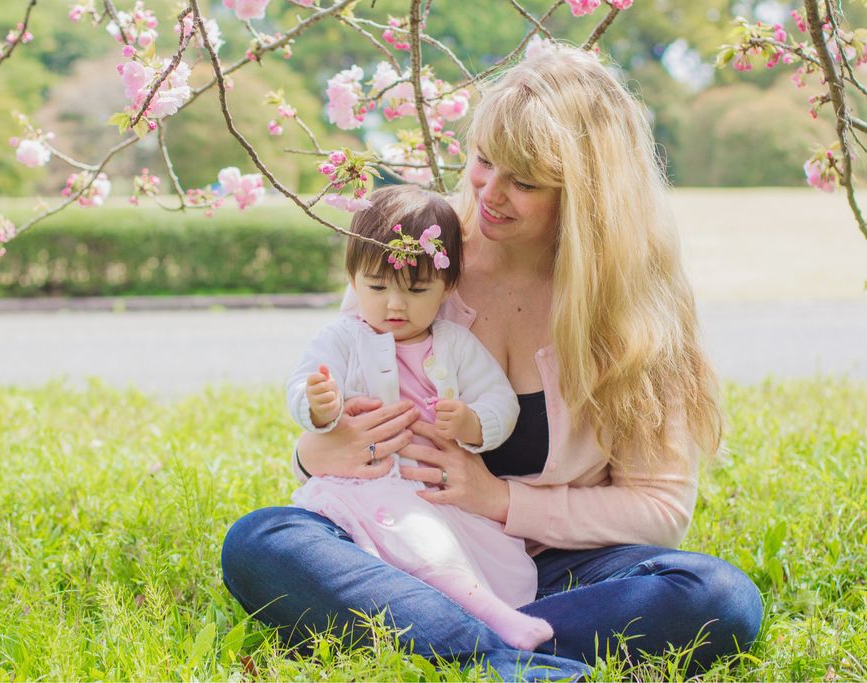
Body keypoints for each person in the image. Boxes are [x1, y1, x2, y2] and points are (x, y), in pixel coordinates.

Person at [221, 43, 763, 681]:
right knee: (262, 540)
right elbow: (330, 424)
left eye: (525, 181)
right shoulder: (417, 254)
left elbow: (658, 509)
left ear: (589, 194)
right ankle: (506, 660)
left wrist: (500, 499)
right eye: (483, 160)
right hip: (405, 548)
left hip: (555, 572)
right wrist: (315, 453)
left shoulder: (635, 305)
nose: (489, 193)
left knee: (718, 595)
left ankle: (461, 647)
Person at [288, 184, 554, 651]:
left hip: (434, 494)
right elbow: (305, 383)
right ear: (353, 280)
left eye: (416, 290)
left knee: (455, 552)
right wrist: (319, 406)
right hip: (364, 488)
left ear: (447, 287)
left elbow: (500, 401)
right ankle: (494, 623)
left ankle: (473, 627)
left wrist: (473, 423)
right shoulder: (343, 338)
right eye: (376, 287)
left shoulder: (453, 344)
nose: (394, 305)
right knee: (310, 542)